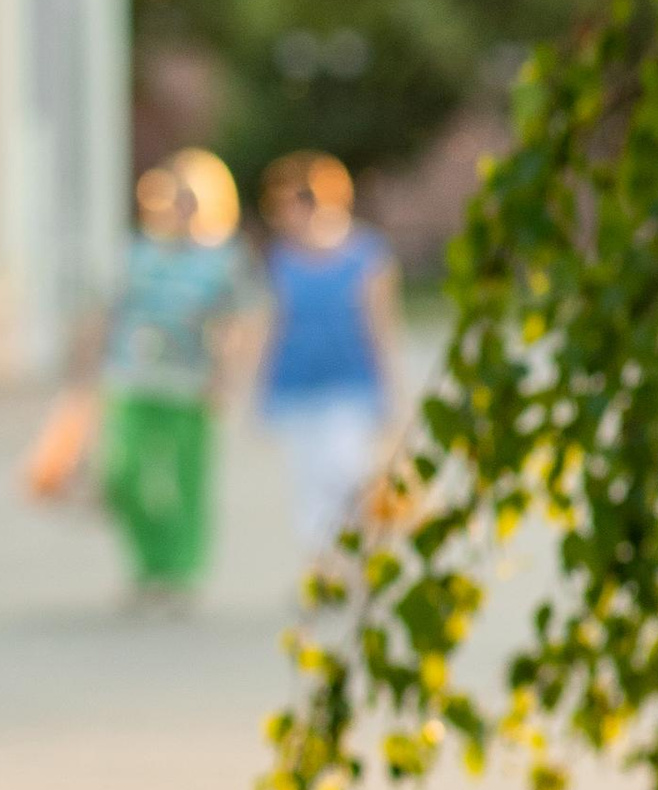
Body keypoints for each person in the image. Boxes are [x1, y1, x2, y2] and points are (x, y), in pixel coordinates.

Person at [23, 149, 250, 599]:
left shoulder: (219, 260)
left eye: (186, 200)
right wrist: (81, 374)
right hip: (131, 378)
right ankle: (148, 563)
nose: (176, 209)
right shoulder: (132, 254)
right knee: (125, 475)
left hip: (188, 383)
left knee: (186, 480)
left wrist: (226, 378)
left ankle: (180, 568)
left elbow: (234, 324)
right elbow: (103, 313)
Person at [258, 149, 402, 552]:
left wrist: (390, 387)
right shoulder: (282, 260)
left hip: (349, 382)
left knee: (346, 472)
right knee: (307, 483)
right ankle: (323, 567)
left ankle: (356, 550)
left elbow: (381, 326)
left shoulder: (367, 255)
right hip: (298, 383)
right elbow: (273, 326)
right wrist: (261, 388)